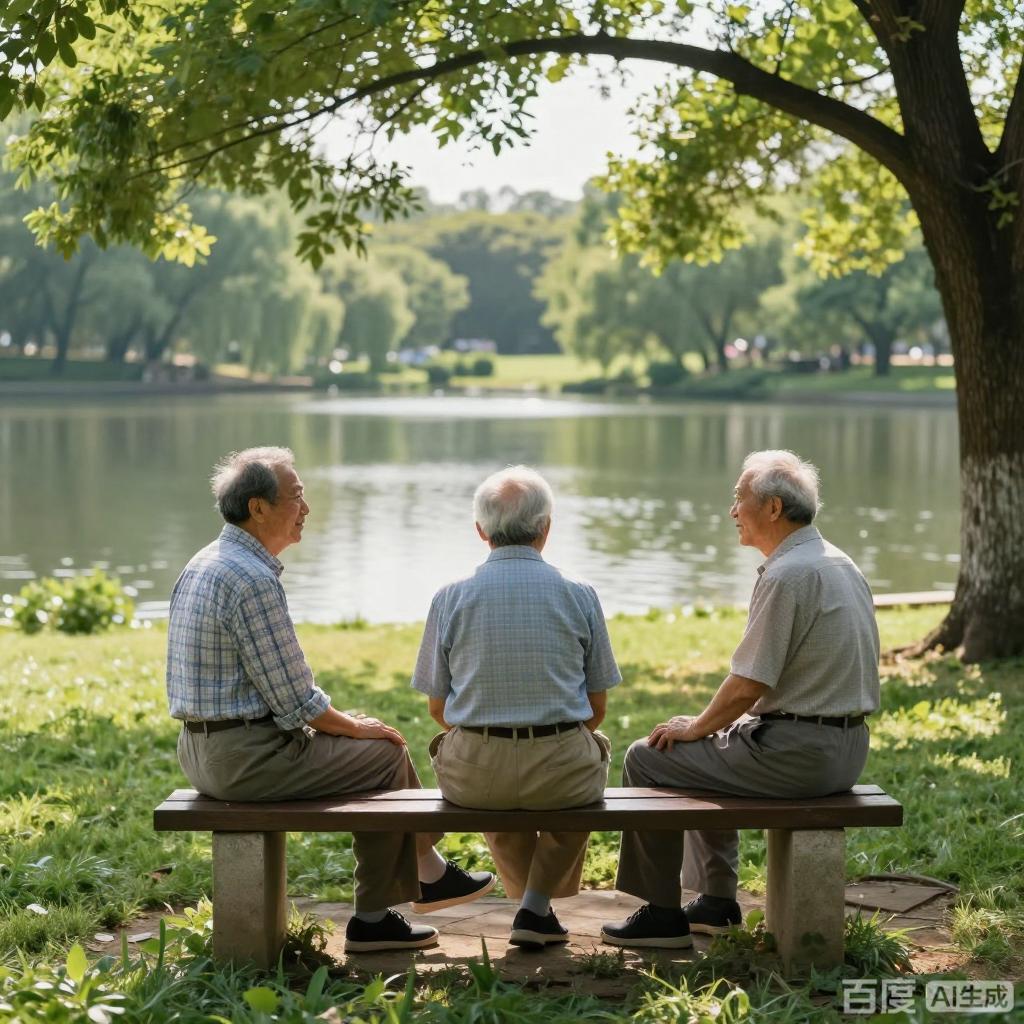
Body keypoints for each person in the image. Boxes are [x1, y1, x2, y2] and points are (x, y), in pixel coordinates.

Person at [166, 446, 494, 954]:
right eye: (296, 496)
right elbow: (298, 701)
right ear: (258, 507)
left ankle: (426, 875)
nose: (306, 507)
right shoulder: (250, 580)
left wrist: (341, 724)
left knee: (370, 745)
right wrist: (354, 726)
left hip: (200, 753)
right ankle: (379, 917)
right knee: (383, 755)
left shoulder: (207, 562)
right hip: (244, 759)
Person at [602, 449, 880, 949]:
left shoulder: (788, 574)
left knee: (649, 758)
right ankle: (716, 903)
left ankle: (663, 914)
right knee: (703, 747)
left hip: (800, 754)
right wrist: (708, 726)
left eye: (739, 498)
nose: (733, 510)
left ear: (773, 508)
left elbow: (748, 683)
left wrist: (697, 727)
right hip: (845, 749)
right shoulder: (839, 562)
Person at [412, 466, 620, 949]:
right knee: (590, 758)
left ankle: (533, 906)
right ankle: (535, 905)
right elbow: (596, 706)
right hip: (562, 771)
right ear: (546, 526)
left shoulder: (449, 597)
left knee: (491, 777)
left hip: (476, 775)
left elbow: (437, 707)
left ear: (480, 531)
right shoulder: (580, 593)